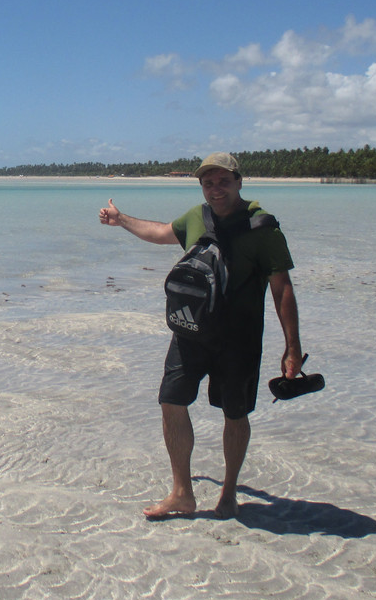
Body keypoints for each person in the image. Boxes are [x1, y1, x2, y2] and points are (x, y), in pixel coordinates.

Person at [98, 152, 304, 519]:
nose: (215, 189)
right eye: (208, 183)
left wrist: (292, 346)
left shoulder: (263, 228)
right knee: (170, 402)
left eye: (223, 181)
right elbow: (162, 232)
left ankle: (228, 493)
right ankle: (182, 493)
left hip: (239, 340)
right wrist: (121, 220)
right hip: (189, 330)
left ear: (239, 182)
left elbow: (281, 287)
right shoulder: (197, 216)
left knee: (235, 415)